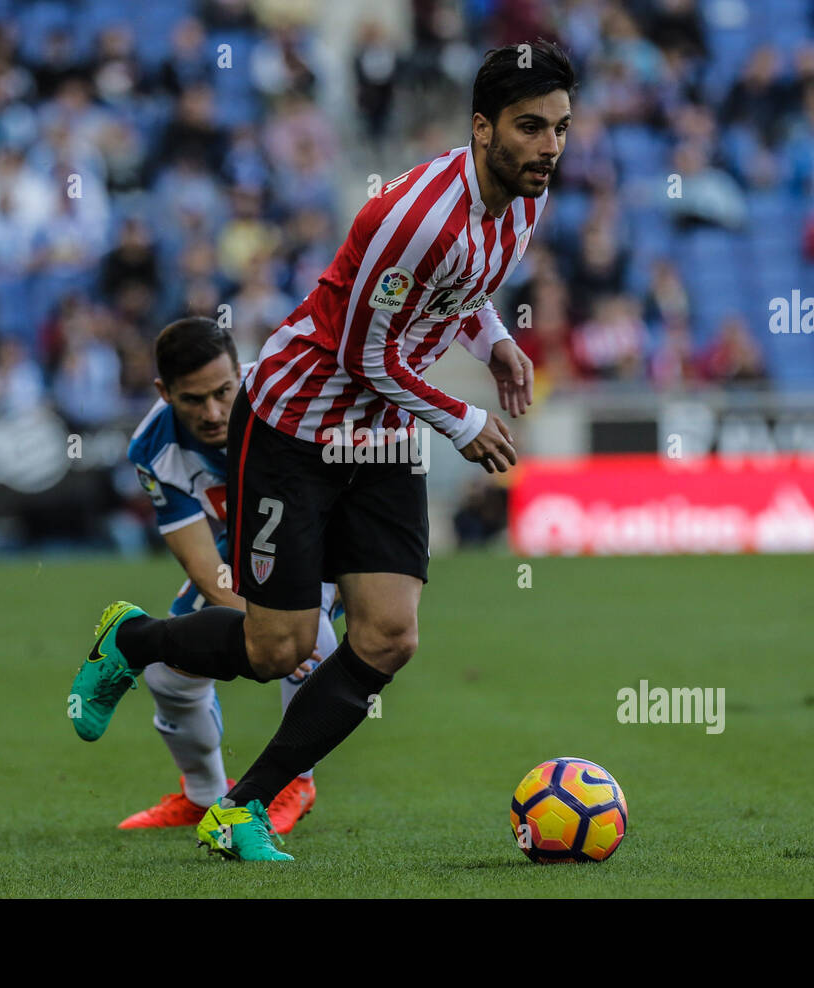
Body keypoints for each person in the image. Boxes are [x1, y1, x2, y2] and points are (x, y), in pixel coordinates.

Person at [69, 39, 572, 860]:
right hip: (296, 427)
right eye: (530, 127)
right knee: (281, 649)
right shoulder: (409, 218)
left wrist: (493, 345)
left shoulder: (525, 196)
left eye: (559, 127)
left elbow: (464, 292)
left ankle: (242, 807)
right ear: (482, 128)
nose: (549, 146)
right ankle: (132, 641)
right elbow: (361, 356)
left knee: (388, 637)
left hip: (377, 435)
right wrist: (462, 419)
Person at [91, 317, 341, 836]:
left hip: (324, 539)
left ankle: (296, 784)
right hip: (238, 553)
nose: (212, 413)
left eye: (223, 392)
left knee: (308, 637)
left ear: (241, 373)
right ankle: (204, 795)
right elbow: (204, 565)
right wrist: (262, 627)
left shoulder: (284, 400)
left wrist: (291, 630)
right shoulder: (152, 448)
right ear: (164, 392)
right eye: (192, 399)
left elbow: (341, 506)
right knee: (165, 671)